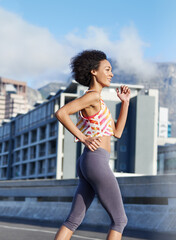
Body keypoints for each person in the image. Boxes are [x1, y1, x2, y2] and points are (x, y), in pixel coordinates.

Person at [54, 50, 130, 240]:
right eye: (107, 69)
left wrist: (125, 103)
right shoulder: (92, 97)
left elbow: (117, 133)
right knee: (119, 221)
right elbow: (62, 113)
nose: (111, 73)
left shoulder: (99, 101)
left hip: (89, 161)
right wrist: (84, 137)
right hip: (96, 161)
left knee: (72, 221)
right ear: (94, 72)